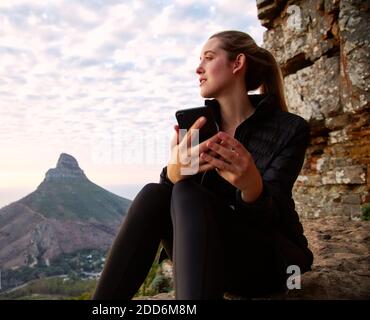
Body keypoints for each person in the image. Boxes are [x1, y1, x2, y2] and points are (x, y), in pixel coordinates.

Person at [92, 30, 314, 300]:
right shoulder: (198, 129)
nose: (198, 69)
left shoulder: (289, 129)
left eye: (208, 58)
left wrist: (252, 188)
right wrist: (173, 172)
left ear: (237, 63)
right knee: (156, 192)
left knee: (188, 193)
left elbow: (273, 216)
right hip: (211, 258)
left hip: (271, 262)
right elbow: (163, 208)